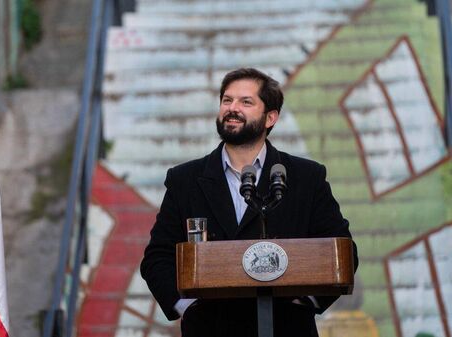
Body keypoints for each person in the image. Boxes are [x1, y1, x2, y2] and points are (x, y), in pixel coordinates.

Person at [140, 68, 358, 337]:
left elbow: (342, 250)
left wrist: (306, 303)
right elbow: (157, 257)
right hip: (211, 329)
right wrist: (188, 306)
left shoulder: (306, 177)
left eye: (246, 102)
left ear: (270, 117)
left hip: (286, 327)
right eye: (227, 100)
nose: (233, 109)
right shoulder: (184, 180)